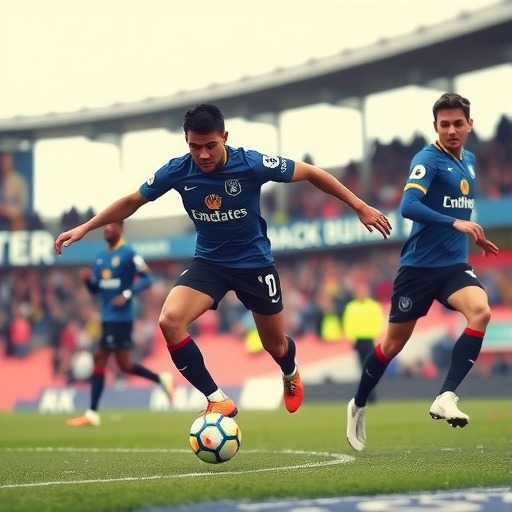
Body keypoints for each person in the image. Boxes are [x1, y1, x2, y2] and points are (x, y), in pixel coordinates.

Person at [55, 103, 392, 419]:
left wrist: (359, 206)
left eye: (210, 146)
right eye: (194, 147)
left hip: (254, 264)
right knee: (170, 321)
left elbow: (310, 173)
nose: (202, 154)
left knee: (275, 345)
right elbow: (132, 201)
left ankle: (289, 370)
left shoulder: (251, 164)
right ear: (186, 142)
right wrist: (86, 227)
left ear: (225, 138)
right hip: (210, 263)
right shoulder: (177, 170)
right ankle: (218, 399)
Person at [346, 93, 499, 452]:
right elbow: (409, 205)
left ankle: (446, 395)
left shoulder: (470, 161)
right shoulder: (427, 159)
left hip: (453, 267)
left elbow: (457, 207)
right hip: (418, 269)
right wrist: (455, 223)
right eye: (444, 124)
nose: (451, 130)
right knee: (391, 346)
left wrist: (470, 232)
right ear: (435, 127)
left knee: (481, 311)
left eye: (458, 123)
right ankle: (358, 404)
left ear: (470, 125)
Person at [65, 221, 174, 427]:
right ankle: (161, 379)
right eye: (104, 226)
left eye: (111, 225)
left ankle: (92, 413)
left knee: (100, 358)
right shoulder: (100, 258)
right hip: (107, 317)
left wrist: (127, 293)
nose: (106, 228)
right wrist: (88, 281)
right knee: (124, 365)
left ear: (121, 228)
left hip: (121, 318)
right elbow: (97, 290)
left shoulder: (129, 253)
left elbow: (147, 278)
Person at [342, 280, 384, 403]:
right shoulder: (351, 307)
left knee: (370, 367)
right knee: (362, 367)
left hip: (369, 340)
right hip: (358, 341)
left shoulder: (373, 306)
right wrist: (351, 338)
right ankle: (365, 394)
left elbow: (378, 322)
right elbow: (348, 323)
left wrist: (374, 334)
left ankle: (371, 394)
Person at [0, 150, 29, 230]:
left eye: (7, 161)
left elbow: (22, 207)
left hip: (14, 222)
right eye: (2, 161)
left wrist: (5, 210)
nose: (4, 164)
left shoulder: (19, 181)